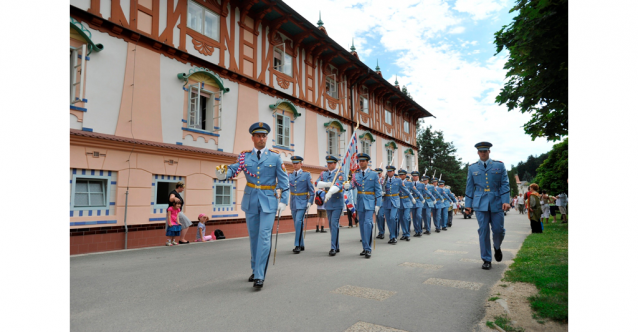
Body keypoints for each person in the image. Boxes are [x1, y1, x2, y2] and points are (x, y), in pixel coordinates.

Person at [215, 122, 289, 289]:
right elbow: (233, 169)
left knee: (264, 237)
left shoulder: (275, 157)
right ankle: (255, 269)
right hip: (251, 201)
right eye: (258, 136)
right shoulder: (244, 157)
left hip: (269, 202)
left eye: (264, 136)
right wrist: (222, 173)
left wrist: (284, 201)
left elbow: (285, 182)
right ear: (253, 138)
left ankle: (260, 275)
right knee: (254, 238)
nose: (262, 138)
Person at [464, 142, 510, 270]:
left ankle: (497, 246)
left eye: (485, 151)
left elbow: (505, 184)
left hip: (497, 202)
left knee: (498, 230)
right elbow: (469, 187)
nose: (483, 153)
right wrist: (468, 205)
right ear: (478, 153)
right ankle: (486, 259)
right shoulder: (472, 168)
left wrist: (506, 201)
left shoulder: (499, 165)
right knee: (483, 231)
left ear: (489, 151)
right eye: (481, 151)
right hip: (480, 203)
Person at [343, 153, 382, 258]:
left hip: (370, 202)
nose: (361, 162)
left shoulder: (374, 174)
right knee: (362, 226)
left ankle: (368, 249)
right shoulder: (356, 174)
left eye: (363, 161)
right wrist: (348, 186)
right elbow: (353, 185)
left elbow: (378, 191)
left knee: (368, 224)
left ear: (367, 162)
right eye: (360, 161)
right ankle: (365, 248)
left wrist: (378, 204)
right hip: (360, 203)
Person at [315, 155, 345, 256]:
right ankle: (336, 246)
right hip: (328, 202)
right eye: (328, 163)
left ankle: (333, 247)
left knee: (333, 223)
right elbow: (316, 183)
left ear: (335, 164)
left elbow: (338, 185)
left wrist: (330, 191)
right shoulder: (324, 173)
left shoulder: (339, 173)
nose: (329, 164)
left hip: (337, 202)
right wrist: (326, 184)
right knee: (332, 225)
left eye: (331, 163)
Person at [288, 156, 315, 254]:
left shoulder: (306, 175)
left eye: (297, 163)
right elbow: (284, 185)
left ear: (301, 164)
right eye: (293, 163)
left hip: (303, 202)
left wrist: (310, 202)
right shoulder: (289, 175)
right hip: (293, 202)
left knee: (298, 221)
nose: (295, 165)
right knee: (297, 223)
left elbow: (312, 191)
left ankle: (297, 245)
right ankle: (302, 244)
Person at [382, 166, 402, 244]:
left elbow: (404, 189)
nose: (389, 173)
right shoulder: (384, 181)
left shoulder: (398, 180)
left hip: (395, 201)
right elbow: (380, 189)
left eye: (391, 171)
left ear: (393, 172)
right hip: (386, 202)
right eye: (388, 171)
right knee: (389, 220)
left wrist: (411, 197)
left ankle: (393, 236)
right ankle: (392, 235)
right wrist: (381, 192)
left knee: (393, 217)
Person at [397, 169, 417, 241]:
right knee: (401, 219)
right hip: (400, 202)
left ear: (405, 175)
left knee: (406, 218)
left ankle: (407, 234)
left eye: (402, 174)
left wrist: (415, 198)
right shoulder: (397, 182)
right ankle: (404, 233)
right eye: (400, 174)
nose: (401, 176)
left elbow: (415, 190)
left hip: (407, 201)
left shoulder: (409, 183)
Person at [410, 171, 427, 236]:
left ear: (418, 177)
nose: (414, 177)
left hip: (419, 201)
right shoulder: (410, 184)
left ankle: (420, 230)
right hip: (412, 202)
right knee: (414, 217)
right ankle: (416, 231)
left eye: (416, 176)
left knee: (419, 216)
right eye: (413, 176)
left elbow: (424, 193)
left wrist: (423, 199)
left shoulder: (422, 184)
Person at [375, 168, 386, 240]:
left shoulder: (384, 181)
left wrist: (384, 193)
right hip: (375, 200)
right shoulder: (374, 181)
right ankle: (380, 231)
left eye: (380, 173)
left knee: (381, 216)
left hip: (383, 200)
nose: (378, 174)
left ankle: (382, 232)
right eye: (377, 173)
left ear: (381, 173)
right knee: (377, 217)